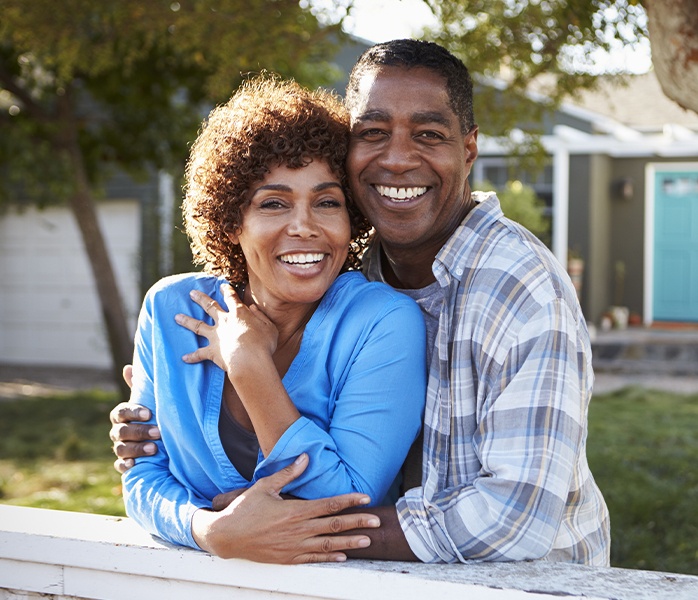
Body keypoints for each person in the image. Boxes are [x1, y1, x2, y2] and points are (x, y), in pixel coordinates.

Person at [111, 39, 610, 566]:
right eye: (372, 133)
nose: (396, 158)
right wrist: (210, 527)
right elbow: (147, 470)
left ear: (468, 150)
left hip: (534, 582)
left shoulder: (521, 290)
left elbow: (517, 518)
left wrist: (282, 529)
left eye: (428, 134)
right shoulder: (362, 267)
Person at [119, 74, 427, 558]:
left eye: (327, 202)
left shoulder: (382, 323)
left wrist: (248, 365)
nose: (304, 226)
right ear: (231, 221)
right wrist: (209, 529)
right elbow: (141, 474)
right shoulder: (170, 310)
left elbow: (347, 502)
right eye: (273, 203)